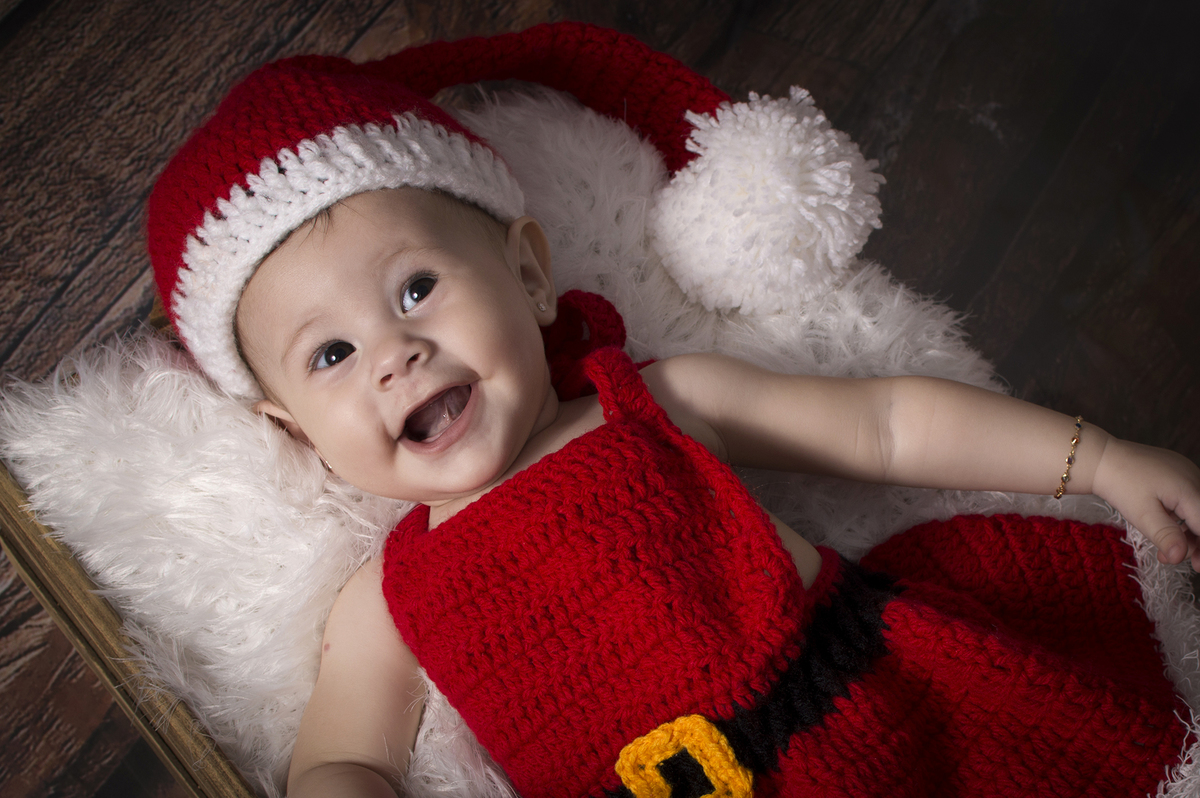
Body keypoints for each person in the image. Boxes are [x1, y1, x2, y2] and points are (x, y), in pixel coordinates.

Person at [146, 22, 1200, 798]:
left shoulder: (648, 407)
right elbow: (345, 755)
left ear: (529, 276)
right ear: (295, 435)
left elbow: (883, 424)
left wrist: (1098, 459)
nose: (396, 354)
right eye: (330, 355)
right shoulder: (387, 595)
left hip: (882, 728)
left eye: (417, 288)